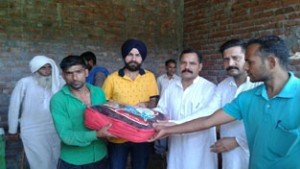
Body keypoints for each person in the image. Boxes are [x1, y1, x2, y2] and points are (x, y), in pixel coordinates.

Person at [152, 35, 300, 169]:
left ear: (271, 62)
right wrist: (170, 127)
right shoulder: (247, 96)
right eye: (226, 59)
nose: (243, 66)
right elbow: (207, 119)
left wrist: (237, 141)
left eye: (247, 61)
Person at [171, 40, 261, 169]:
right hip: (229, 155)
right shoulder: (223, 86)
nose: (230, 63)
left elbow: (267, 124)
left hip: (255, 154)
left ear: (247, 58)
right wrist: (175, 124)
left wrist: (238, 141)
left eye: (235, 58)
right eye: (226, 59)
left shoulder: (259, 85)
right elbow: (208, 113)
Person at [154, 49, 217, 169]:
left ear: (200, 67)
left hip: (199, 153)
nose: (187, 67)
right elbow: (161, 111)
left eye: (192, 63)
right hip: (176, 150)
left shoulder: (209, 89)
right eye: (183, 63)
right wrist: (144, 112)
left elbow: (204, 117)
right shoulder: (171, 87)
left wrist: (172, 125)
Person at [102, 38, 159, 169]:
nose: (133, 59)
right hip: (117, 135)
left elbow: (154, 101)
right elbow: (103, 105)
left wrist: (147, 105)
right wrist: (115, 105)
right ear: (124, 56)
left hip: (142, 134)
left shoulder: (149, 77)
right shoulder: (112, 78)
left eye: (137, 55)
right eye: (130, 55)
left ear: (142, 57)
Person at [50, 55, 114, 169]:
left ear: (86, 72)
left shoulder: (99, 92)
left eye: (78, 72)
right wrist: (97, 134)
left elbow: (105, 120)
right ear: (63, 76)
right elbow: (66, 136)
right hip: (74, 162)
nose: (74, 77)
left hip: (101, 156)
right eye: (69, 73)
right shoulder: (58, 100)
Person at [8, 55, 64, 169]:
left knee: (56, 159)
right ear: (35, 69)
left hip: (55, 129)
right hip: (32, 130)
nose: (47, 71)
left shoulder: (59, 82)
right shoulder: (25, 82)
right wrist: (12, 130)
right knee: (41, 163)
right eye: (43, 68)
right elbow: (14, 106)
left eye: (49, 67)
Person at [155, 59, 180, 157]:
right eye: (170, 67)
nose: (172, 69)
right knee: (161, 128)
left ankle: (171, 151)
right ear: (166, 68)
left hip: (174, 108)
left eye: (174, 67)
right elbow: (157, 94)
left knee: (172, 128)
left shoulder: (179, 79)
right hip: (162, 108)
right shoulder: (160, 79)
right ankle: (159, 151)